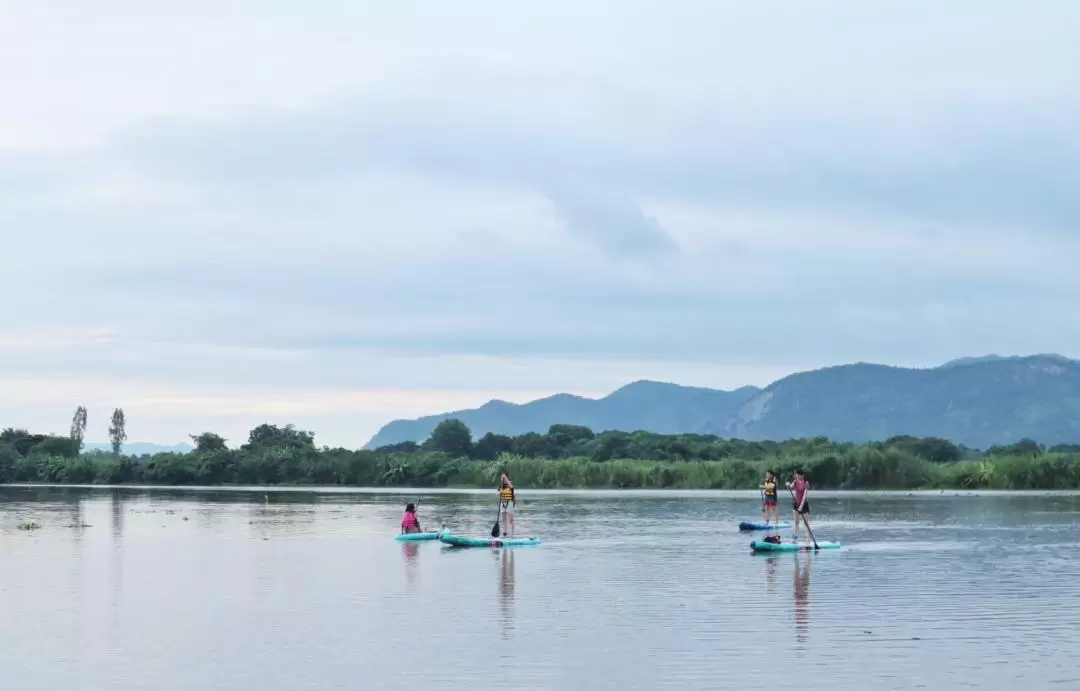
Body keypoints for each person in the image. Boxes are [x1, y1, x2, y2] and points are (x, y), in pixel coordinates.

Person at [787, 469, 811, 542]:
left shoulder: (806, 483)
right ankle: (795, 538)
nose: (796, 476)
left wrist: (801, 506)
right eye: (796, 475)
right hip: (795, 503)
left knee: (805, 523)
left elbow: (804, 495)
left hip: (804, 504)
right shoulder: (795, 481)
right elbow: (790, 488)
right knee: (796, 522)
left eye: (798, 475)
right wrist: (787, 485)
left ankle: (807, 538)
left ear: (802, 475)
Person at [498, 472, 516, 538]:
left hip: (509, 502)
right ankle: (505, 534)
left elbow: (512, 487)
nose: (502, 479)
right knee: (503, 519)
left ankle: (512, 534)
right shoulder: (501, 486)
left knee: (510, 520)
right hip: (503, 503)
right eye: (501, 478)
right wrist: (501, 489)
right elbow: (499, 493)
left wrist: (505, 478)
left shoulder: (510, 484)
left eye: (503, 478)